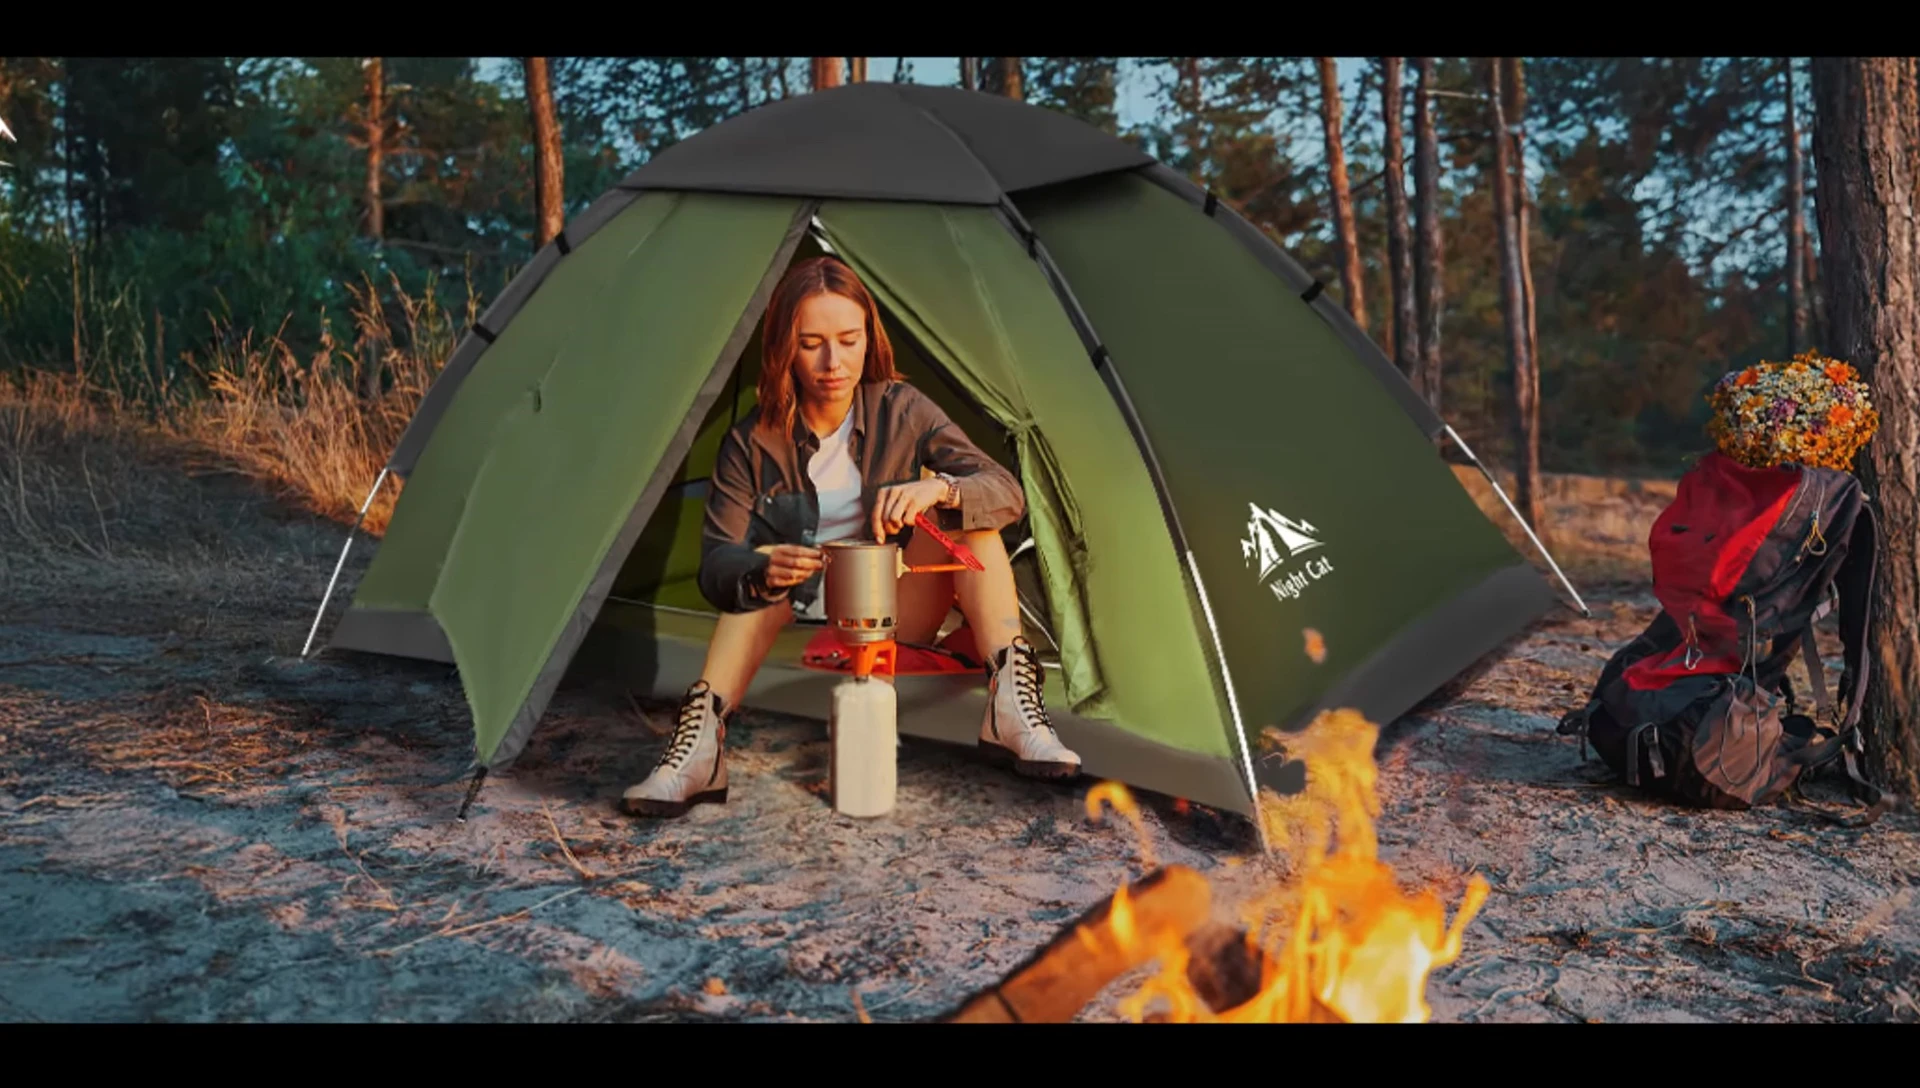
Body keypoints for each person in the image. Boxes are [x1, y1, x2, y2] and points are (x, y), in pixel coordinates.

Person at [623, 256, 1081, 817]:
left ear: (869, 338)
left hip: (883, 612)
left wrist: (939, 493)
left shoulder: (902, 409)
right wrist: (763, 567)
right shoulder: (751, 442)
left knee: (974, 524)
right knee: (755, 576)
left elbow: (1006, 491)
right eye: (811, 342)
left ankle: (1010, 707)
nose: (833, 361)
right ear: (783, 348)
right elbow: (717, 567)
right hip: (788, 614)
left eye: (848, 339)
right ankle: (696, 754)